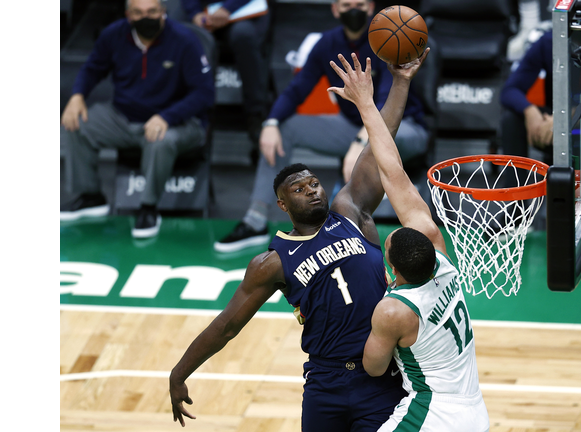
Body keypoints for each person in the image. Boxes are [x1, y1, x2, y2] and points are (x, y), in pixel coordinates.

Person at [169, 49, 430, 431]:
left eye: (314, 183)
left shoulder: (351, 211)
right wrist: (179, 372)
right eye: (299, 187)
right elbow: (226, 326)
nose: (311, 190)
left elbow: (381, 144)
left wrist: (401, 82)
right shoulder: (271, 262)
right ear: (282, 204)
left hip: (380, 377)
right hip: (324, 384)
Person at [328, 54, 490, 431]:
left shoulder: (392, 311)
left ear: (393, 270)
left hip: (432, 416)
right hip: (473, 410)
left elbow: (373, 366)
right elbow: (393, 172)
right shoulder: (441, 257)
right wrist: (368, 103)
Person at [212, 0, 429, 253]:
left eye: (359, 4)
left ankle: (351, 225)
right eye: (346, 5)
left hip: (404, 128)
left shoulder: (384, 39)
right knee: (284, 129)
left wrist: (362, 144)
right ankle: (255, 219)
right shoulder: (327, 43)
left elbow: (382, 105)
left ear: (371, 8)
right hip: (352, 127)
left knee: (373, 141)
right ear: (335, 9)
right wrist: (271, 122)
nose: (353, 10)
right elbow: (297, 90)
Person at [60, 0, 215, 238]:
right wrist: (77, 95)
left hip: (180, 121)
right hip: (123, 117)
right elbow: (92, 68)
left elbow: (205, 93)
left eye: (152, 11)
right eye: (139, 12)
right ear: (128, 15)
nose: (146, 17)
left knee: (160, 140)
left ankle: (149, 208)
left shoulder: (184, 40)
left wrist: (167, 116)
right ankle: (90, 196)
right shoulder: (114, 35)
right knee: (75, 123)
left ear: (163, 12)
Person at [180, 0, 272, 144]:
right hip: (206, 11)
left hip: (246, 10)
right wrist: (195, 13)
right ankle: (192, 113)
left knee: (243, 35)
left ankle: (256, 114)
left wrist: (227, 8)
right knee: (190, 35)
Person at [500, 28, 553, 166]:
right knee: (512, 118)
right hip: (551, 123)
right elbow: (509, 90)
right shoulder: (549, 41)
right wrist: (529, 110)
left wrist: (566, 119)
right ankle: (515, 186)